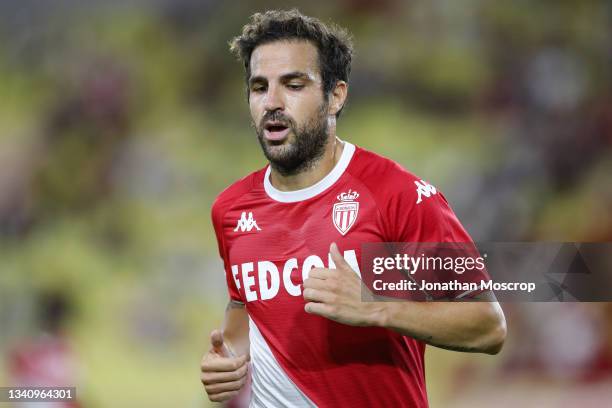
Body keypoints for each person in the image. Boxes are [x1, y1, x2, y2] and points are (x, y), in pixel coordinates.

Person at [200, 9, 506, 407]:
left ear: (336, 95)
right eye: (259, 88)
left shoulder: (396, 196)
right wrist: (229, 364)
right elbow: (242, 306)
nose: (272, 102)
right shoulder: (231, 209)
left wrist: (376, 305)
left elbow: (488, 326)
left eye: (293, 85)